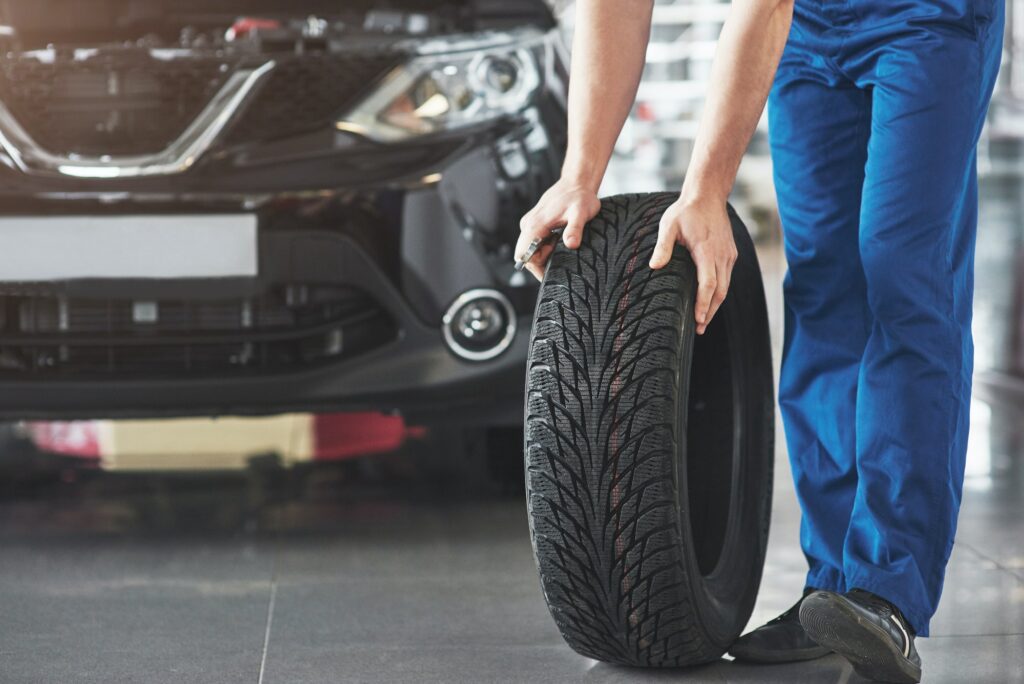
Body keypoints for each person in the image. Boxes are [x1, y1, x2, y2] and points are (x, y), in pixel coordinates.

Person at [515, 0, 1004, 681]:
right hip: (809, 30)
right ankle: (831, 587)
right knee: (823, 288)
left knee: (901, 271)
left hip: (927, 18)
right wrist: (579, 177)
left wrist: (706, 191)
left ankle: (887, 588)